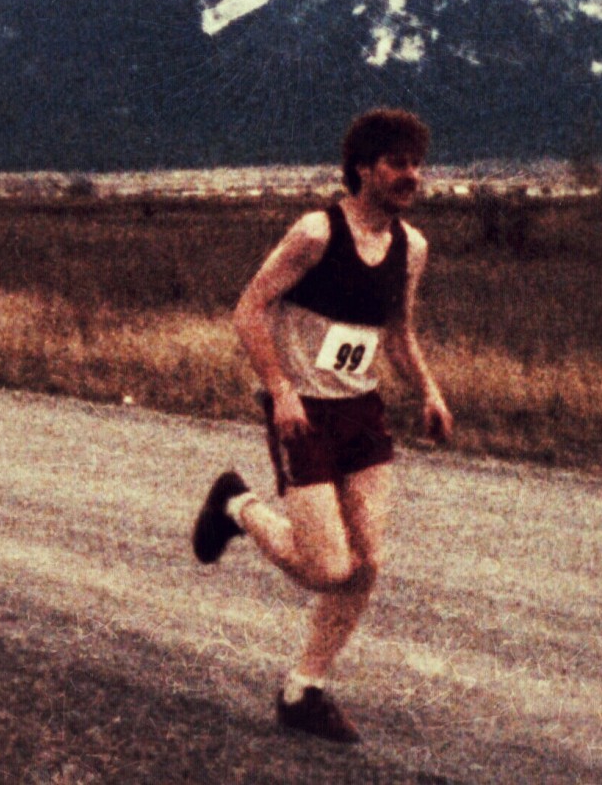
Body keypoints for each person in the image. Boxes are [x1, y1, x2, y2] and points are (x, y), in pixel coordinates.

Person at [192, 107, 453, 744]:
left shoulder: (411, 247)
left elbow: (398, 333)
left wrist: (429, 393)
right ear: (362, 168)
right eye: (396, 163)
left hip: (362, 412)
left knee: (367, 565)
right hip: (304, 414)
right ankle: (236, 505)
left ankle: (302, 690)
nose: (411, 175)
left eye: (417, 164)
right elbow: (249, 309)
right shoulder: (316, 232)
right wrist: (281, 391)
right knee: (327, 568)